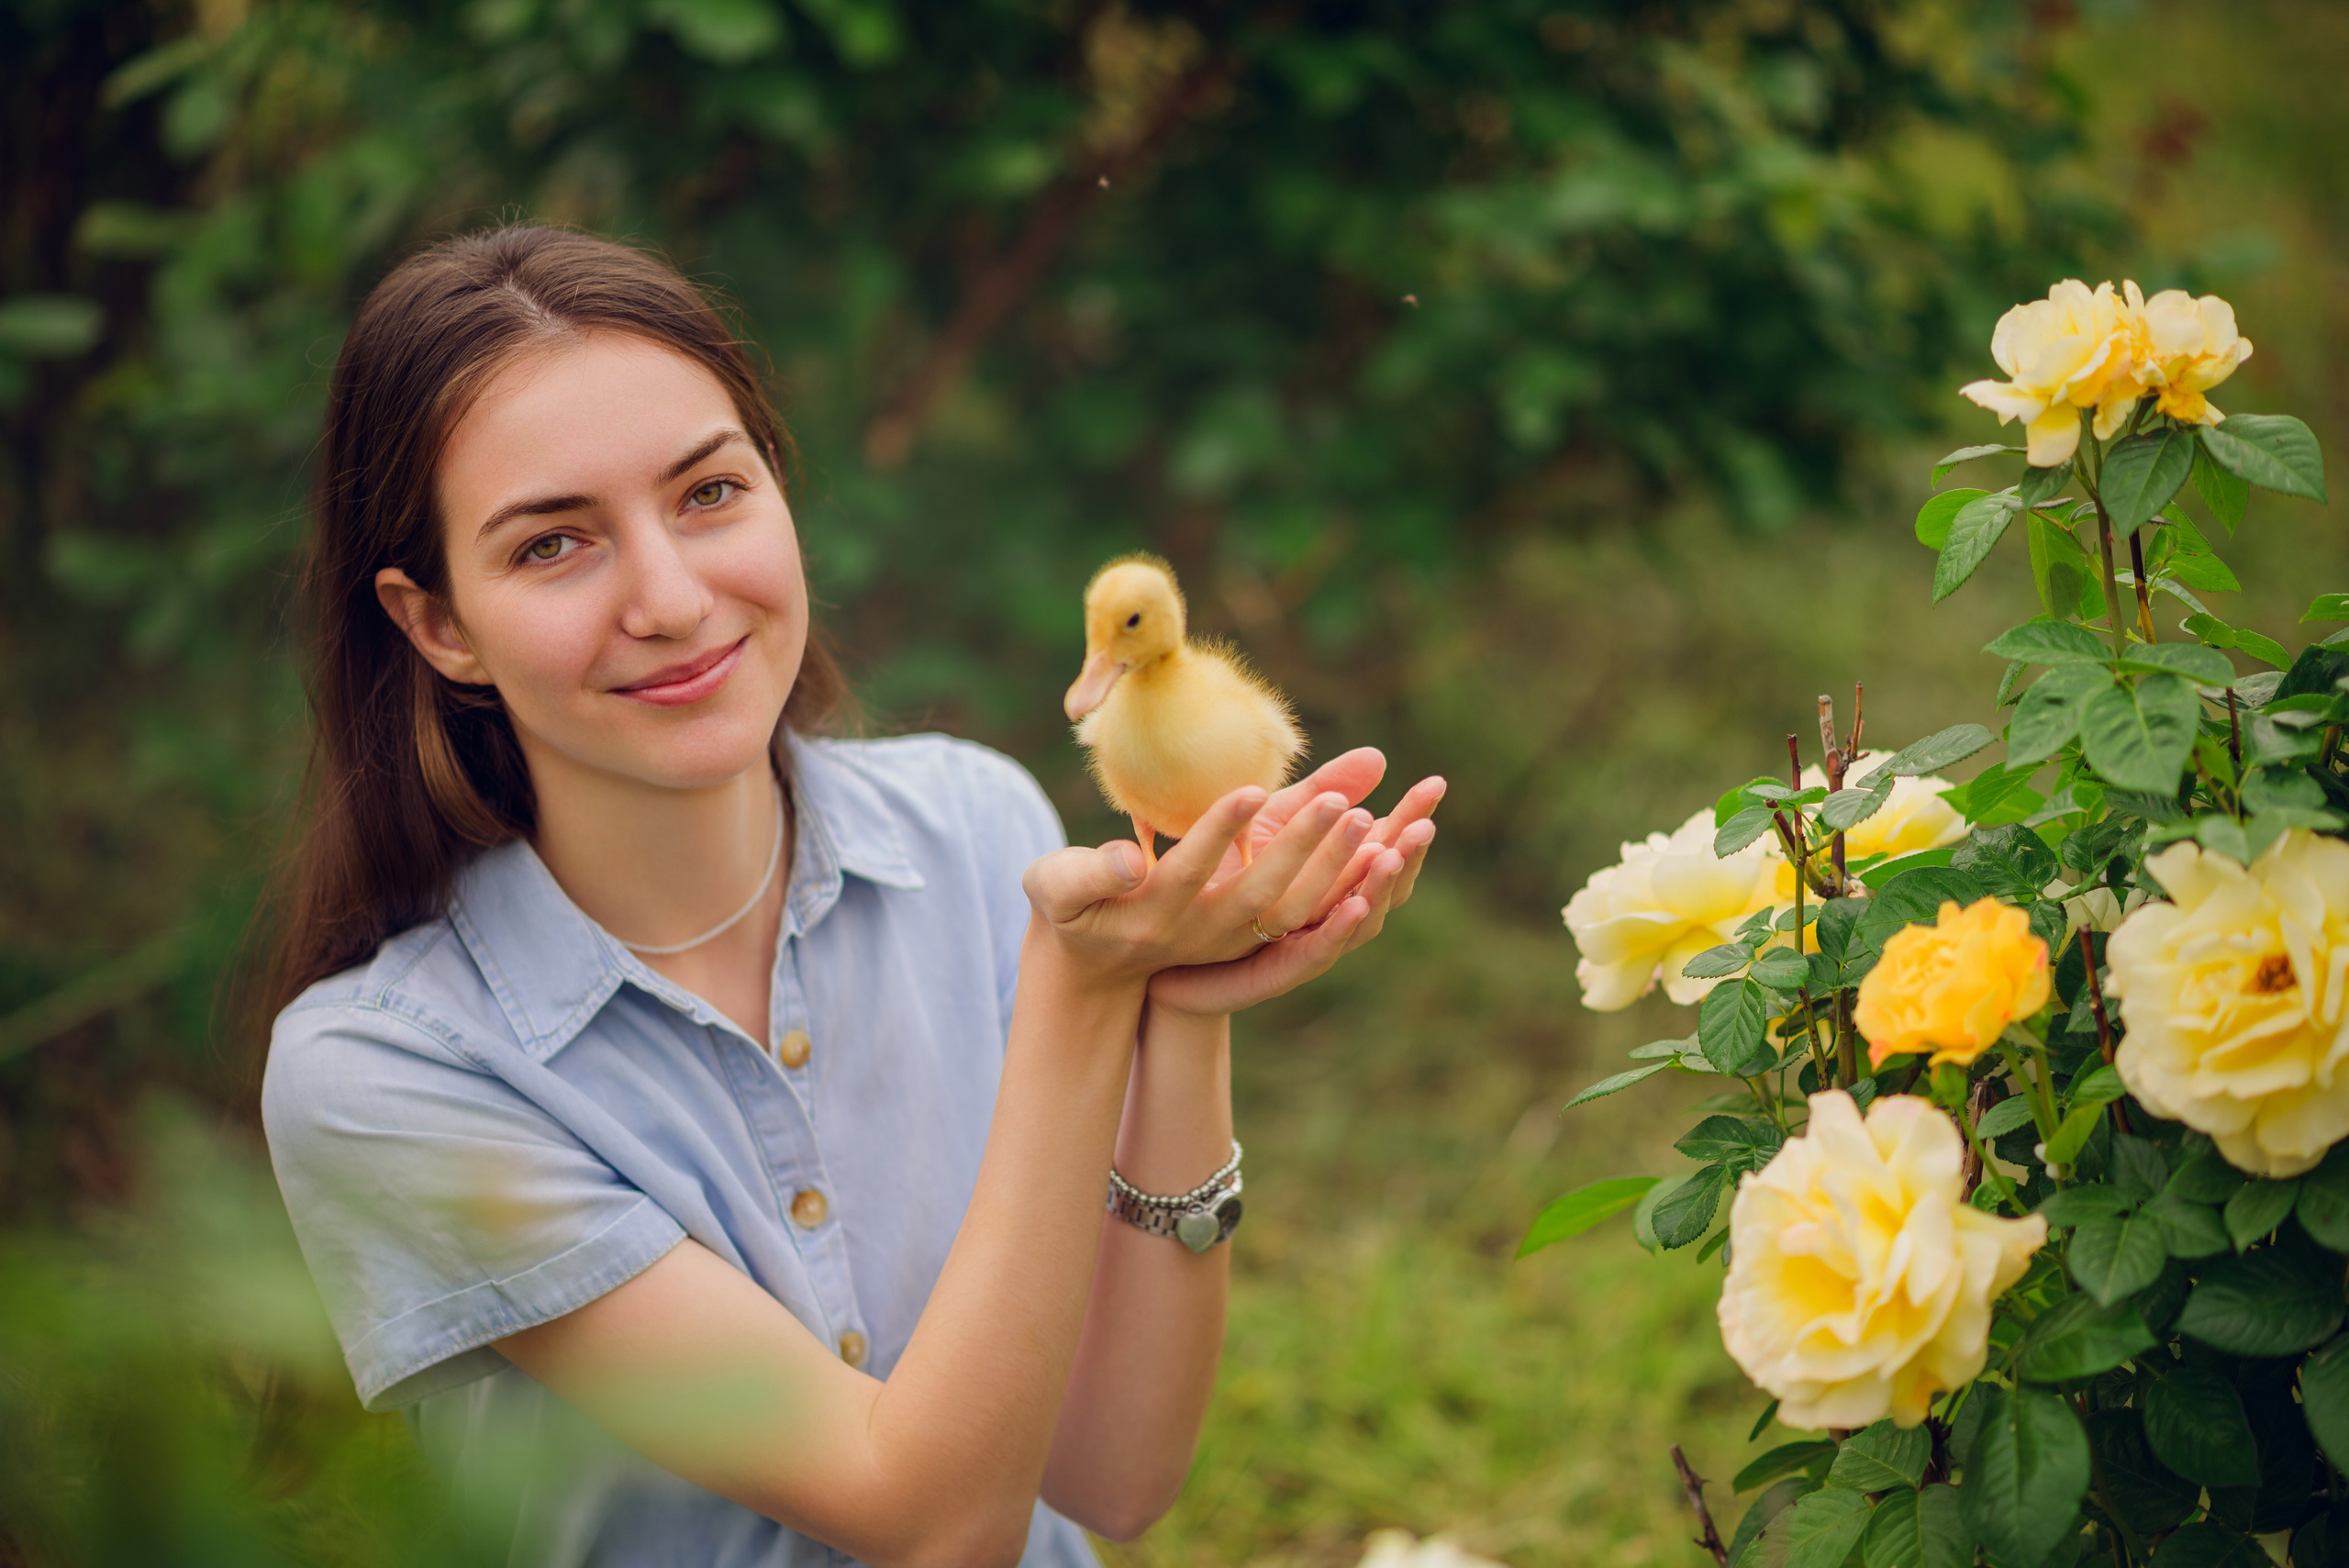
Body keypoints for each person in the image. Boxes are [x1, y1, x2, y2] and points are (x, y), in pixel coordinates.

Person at [257, 226, 1443, 1568]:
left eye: (710, 493)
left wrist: (1177, 1002)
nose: (671, 598)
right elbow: (938, 1527)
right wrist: (1086, 992)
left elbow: (1117, 1477)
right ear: (437, 623)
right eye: (552, 546)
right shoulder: (386, 1070)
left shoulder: (976, 828)